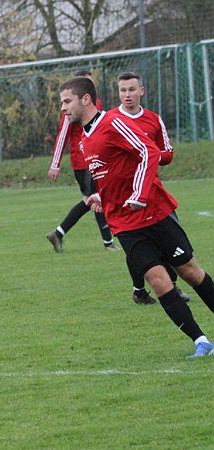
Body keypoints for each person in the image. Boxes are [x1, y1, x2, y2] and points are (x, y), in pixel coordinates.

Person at [59, 76, 214, 358]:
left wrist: (140, 195)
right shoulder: (84, 139)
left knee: (189, 271)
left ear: (85, 99)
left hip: (154, 211)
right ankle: (201, 341)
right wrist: (102, 197)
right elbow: (113, 175)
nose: (63, 108)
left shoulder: (113, 122)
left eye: (67, 101)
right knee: (158, 281)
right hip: (124, 223)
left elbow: (148, 151)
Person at [114, 70, 189, 306]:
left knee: (168, 237)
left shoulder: (154, 120)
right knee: (134, 244)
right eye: (123, 90)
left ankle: (172, 285)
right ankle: (139, 290)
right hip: (123, 195)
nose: (127, 94)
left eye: (132, 89)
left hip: (152, 192)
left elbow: (167, 154)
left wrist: (147, 155)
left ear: (142, 91)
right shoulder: (111, 120)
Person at [46, 70, 116, 254]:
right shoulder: (71, 110)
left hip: (96, 159)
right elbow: (63, 135)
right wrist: (55, 164)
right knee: (96, 198)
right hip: (82, 162)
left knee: (94, 199)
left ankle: (58, 233)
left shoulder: (97, 105)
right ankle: (108, 242)